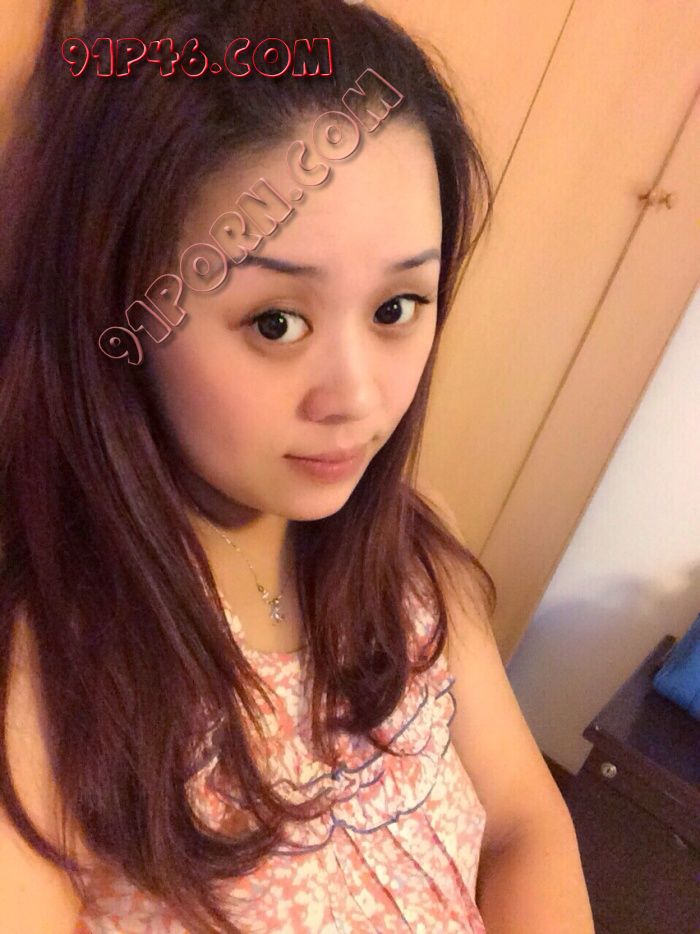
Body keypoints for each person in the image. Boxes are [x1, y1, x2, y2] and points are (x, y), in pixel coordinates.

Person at [0, 1, 595, 932]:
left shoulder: (409, 548)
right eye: (276, 322)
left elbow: (522, 823)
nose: (356, 397)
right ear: (120, 308)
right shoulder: (48, 666)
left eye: (397, 308)